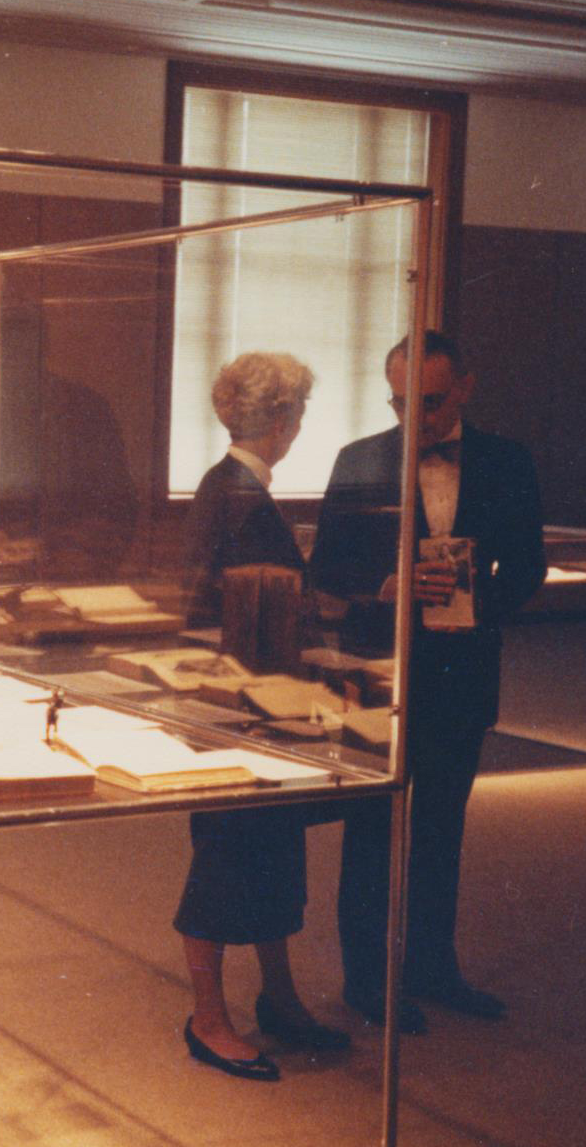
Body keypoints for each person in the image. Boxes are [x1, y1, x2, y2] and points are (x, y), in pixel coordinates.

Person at [310, 331, 545, 1033]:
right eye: (402, 401)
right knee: (372, 825)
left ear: (466, 386)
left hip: (462, 668)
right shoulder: (358, 460)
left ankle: (433, 968)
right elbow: (325, 567)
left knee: (442, 828)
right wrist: (390, 585)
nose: (419, 416)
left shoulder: (507, 461)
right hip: (379, 671)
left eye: (433, 402)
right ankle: (365, 980)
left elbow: (529, 564)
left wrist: (480, 605)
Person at [174, 351, 350, 1081]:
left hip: (254, 699)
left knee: (273, 848)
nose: (298, 425)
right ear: (280, 420)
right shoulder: (242, 496)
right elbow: (245, 606)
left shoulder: (231, 485)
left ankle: (277, 997)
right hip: (245, 704)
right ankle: (208, 1019)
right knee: (225, 858)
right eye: (298, 413)